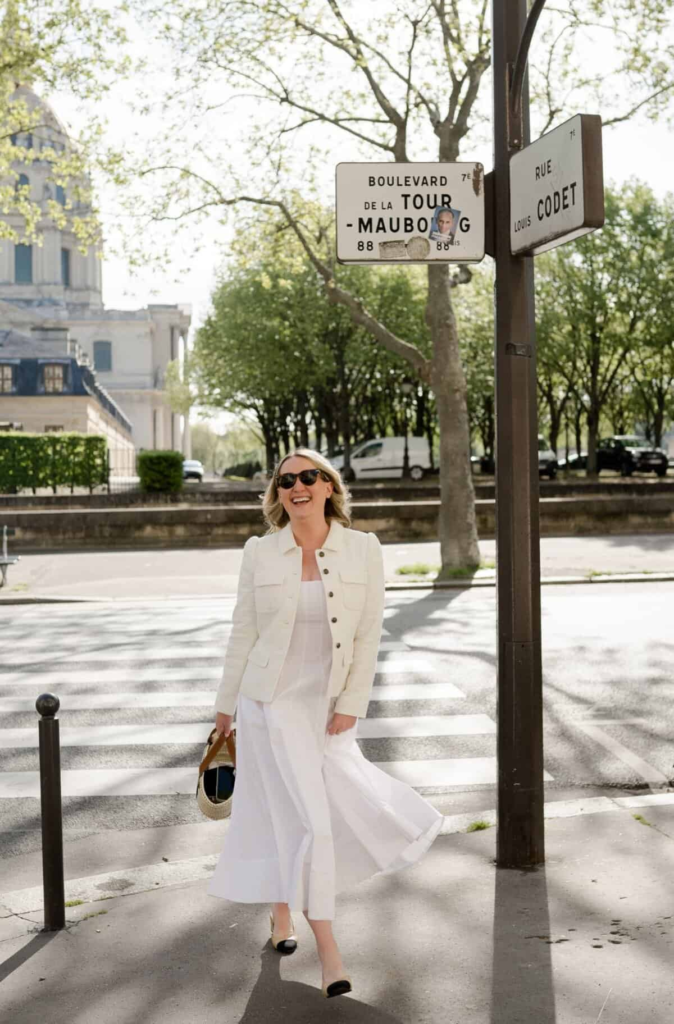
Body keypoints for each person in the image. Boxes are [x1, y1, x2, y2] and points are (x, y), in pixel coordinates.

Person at [207, 448, 443, 998]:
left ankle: (281, 913)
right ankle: (330, 953)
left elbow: (368, 635)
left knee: (289, 813)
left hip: (329, 709)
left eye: (309, 476)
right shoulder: (260, 552)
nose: (298, 486)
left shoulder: (362, 549)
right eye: (286, 480)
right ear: (278, 493)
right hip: (269, 705)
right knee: (309, 822)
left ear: (329, 486)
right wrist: (224, 708)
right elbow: (243, 632)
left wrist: (352, 704)